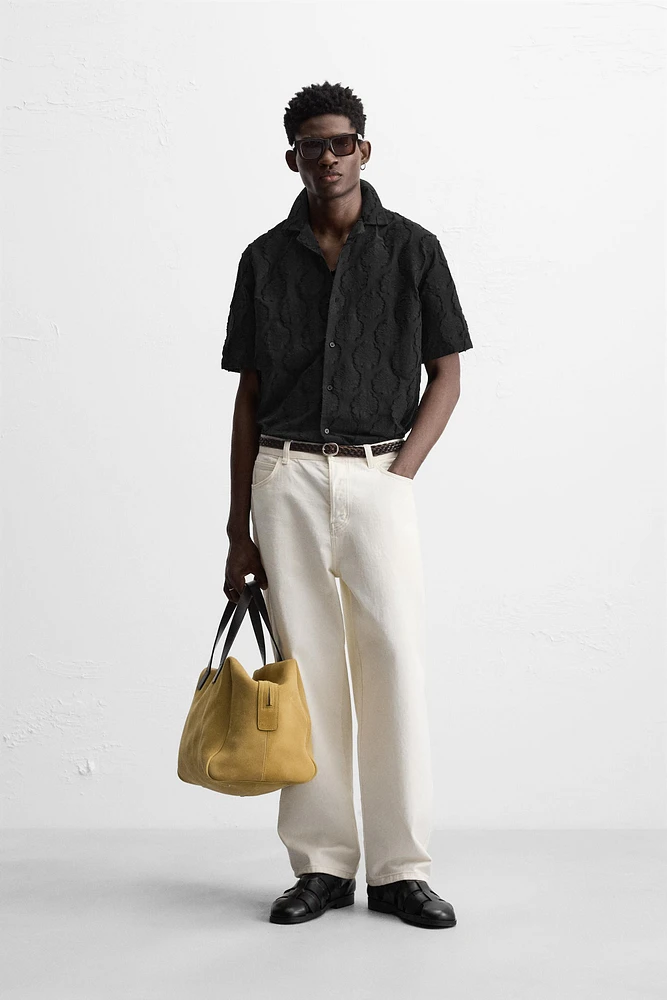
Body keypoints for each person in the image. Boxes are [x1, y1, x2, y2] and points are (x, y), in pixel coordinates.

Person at [220, 81, 473, 929]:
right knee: (308, 673)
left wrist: (399, 475)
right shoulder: (263, 259)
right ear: (291, 157)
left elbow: (447, 375)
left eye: (339, 142)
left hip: (377, 475)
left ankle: (401, 871)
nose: (325, 157)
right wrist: (237, 529)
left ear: (363, 148)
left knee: (393, 663)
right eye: (310, 146)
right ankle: (322, 866)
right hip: (283, 478)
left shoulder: (414, 250)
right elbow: (248, 396)